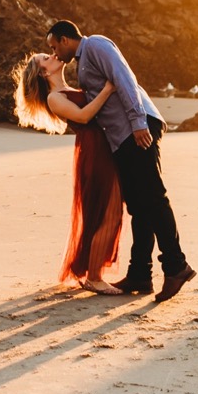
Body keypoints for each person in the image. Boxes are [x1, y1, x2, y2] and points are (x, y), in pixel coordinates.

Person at [46, 19, 195, 302]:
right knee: (139, 206)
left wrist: (138, 122)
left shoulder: (97, 45)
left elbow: (124, 78)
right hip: (122, 138)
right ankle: (140, 273)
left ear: (65, 39)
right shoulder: (82, 64)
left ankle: (176, 266)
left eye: (54, 46)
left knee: (153, 197)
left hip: (136, 128)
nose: (55, 53)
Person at [15, 52, 123, 294]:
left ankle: (94, 273)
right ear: (43, 72)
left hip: (105, 148)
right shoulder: (54, 98)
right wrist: (108, 89)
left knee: (110, 211)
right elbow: (84, 116)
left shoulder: (71, 89)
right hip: (94, 153)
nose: (52, 55)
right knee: (108, 211)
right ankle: (94, 277)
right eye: (45, 57)